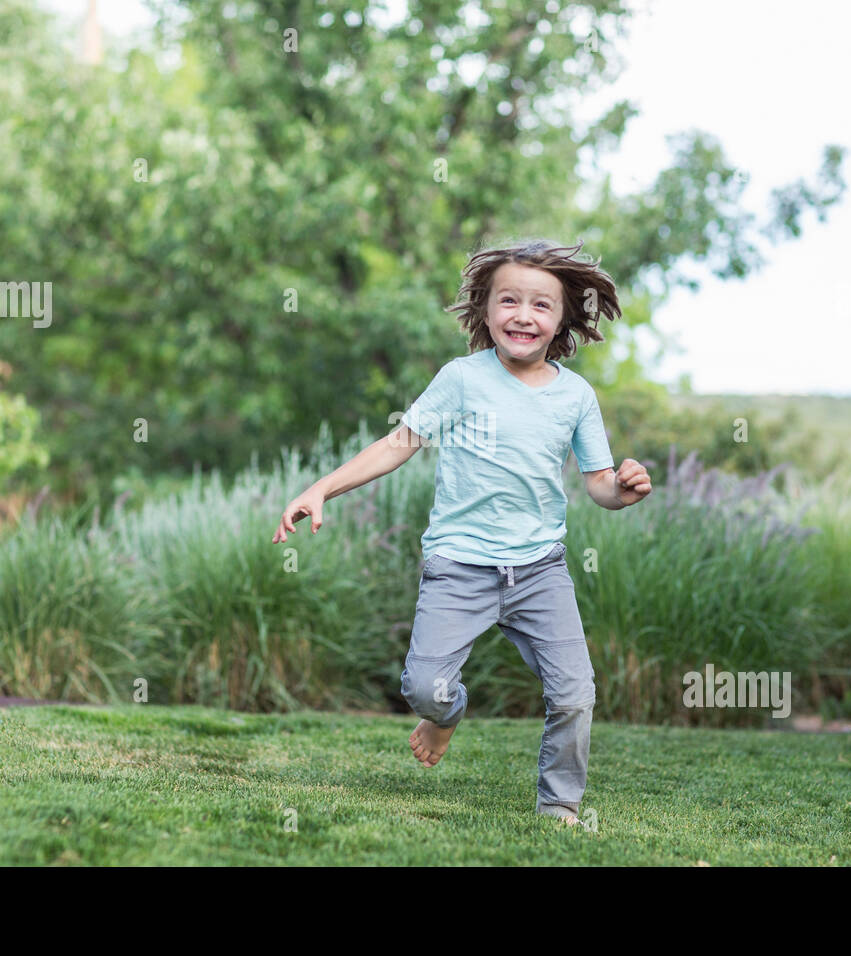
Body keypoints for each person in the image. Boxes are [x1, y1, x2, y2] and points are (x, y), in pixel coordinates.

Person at [271, 238, 652, 825]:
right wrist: (321, 488)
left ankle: (559, 804)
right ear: (486, 310)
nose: (523, 314)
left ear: (563, 319)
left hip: (539, 569)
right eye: (509, 300)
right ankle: (445, 717)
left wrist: (623, 490)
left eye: (541, 305)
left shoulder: (576, 396)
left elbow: (599, 484)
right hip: (459, 566)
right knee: (425, 687)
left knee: (576, 694)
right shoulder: (461, 379)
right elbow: (399, 444)